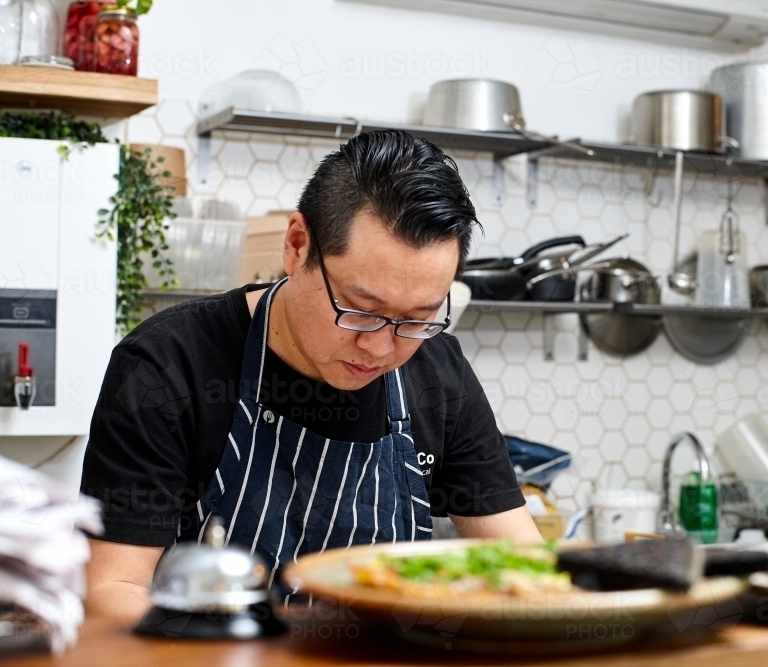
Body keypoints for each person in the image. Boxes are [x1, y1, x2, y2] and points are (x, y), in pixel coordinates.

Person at [81, 130, 540, 623]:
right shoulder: (169, 364)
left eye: (417, 319)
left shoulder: (438, 374)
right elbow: (112, 588)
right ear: (297, 246)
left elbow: (526, 568)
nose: (380, 347)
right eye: (360, 310)